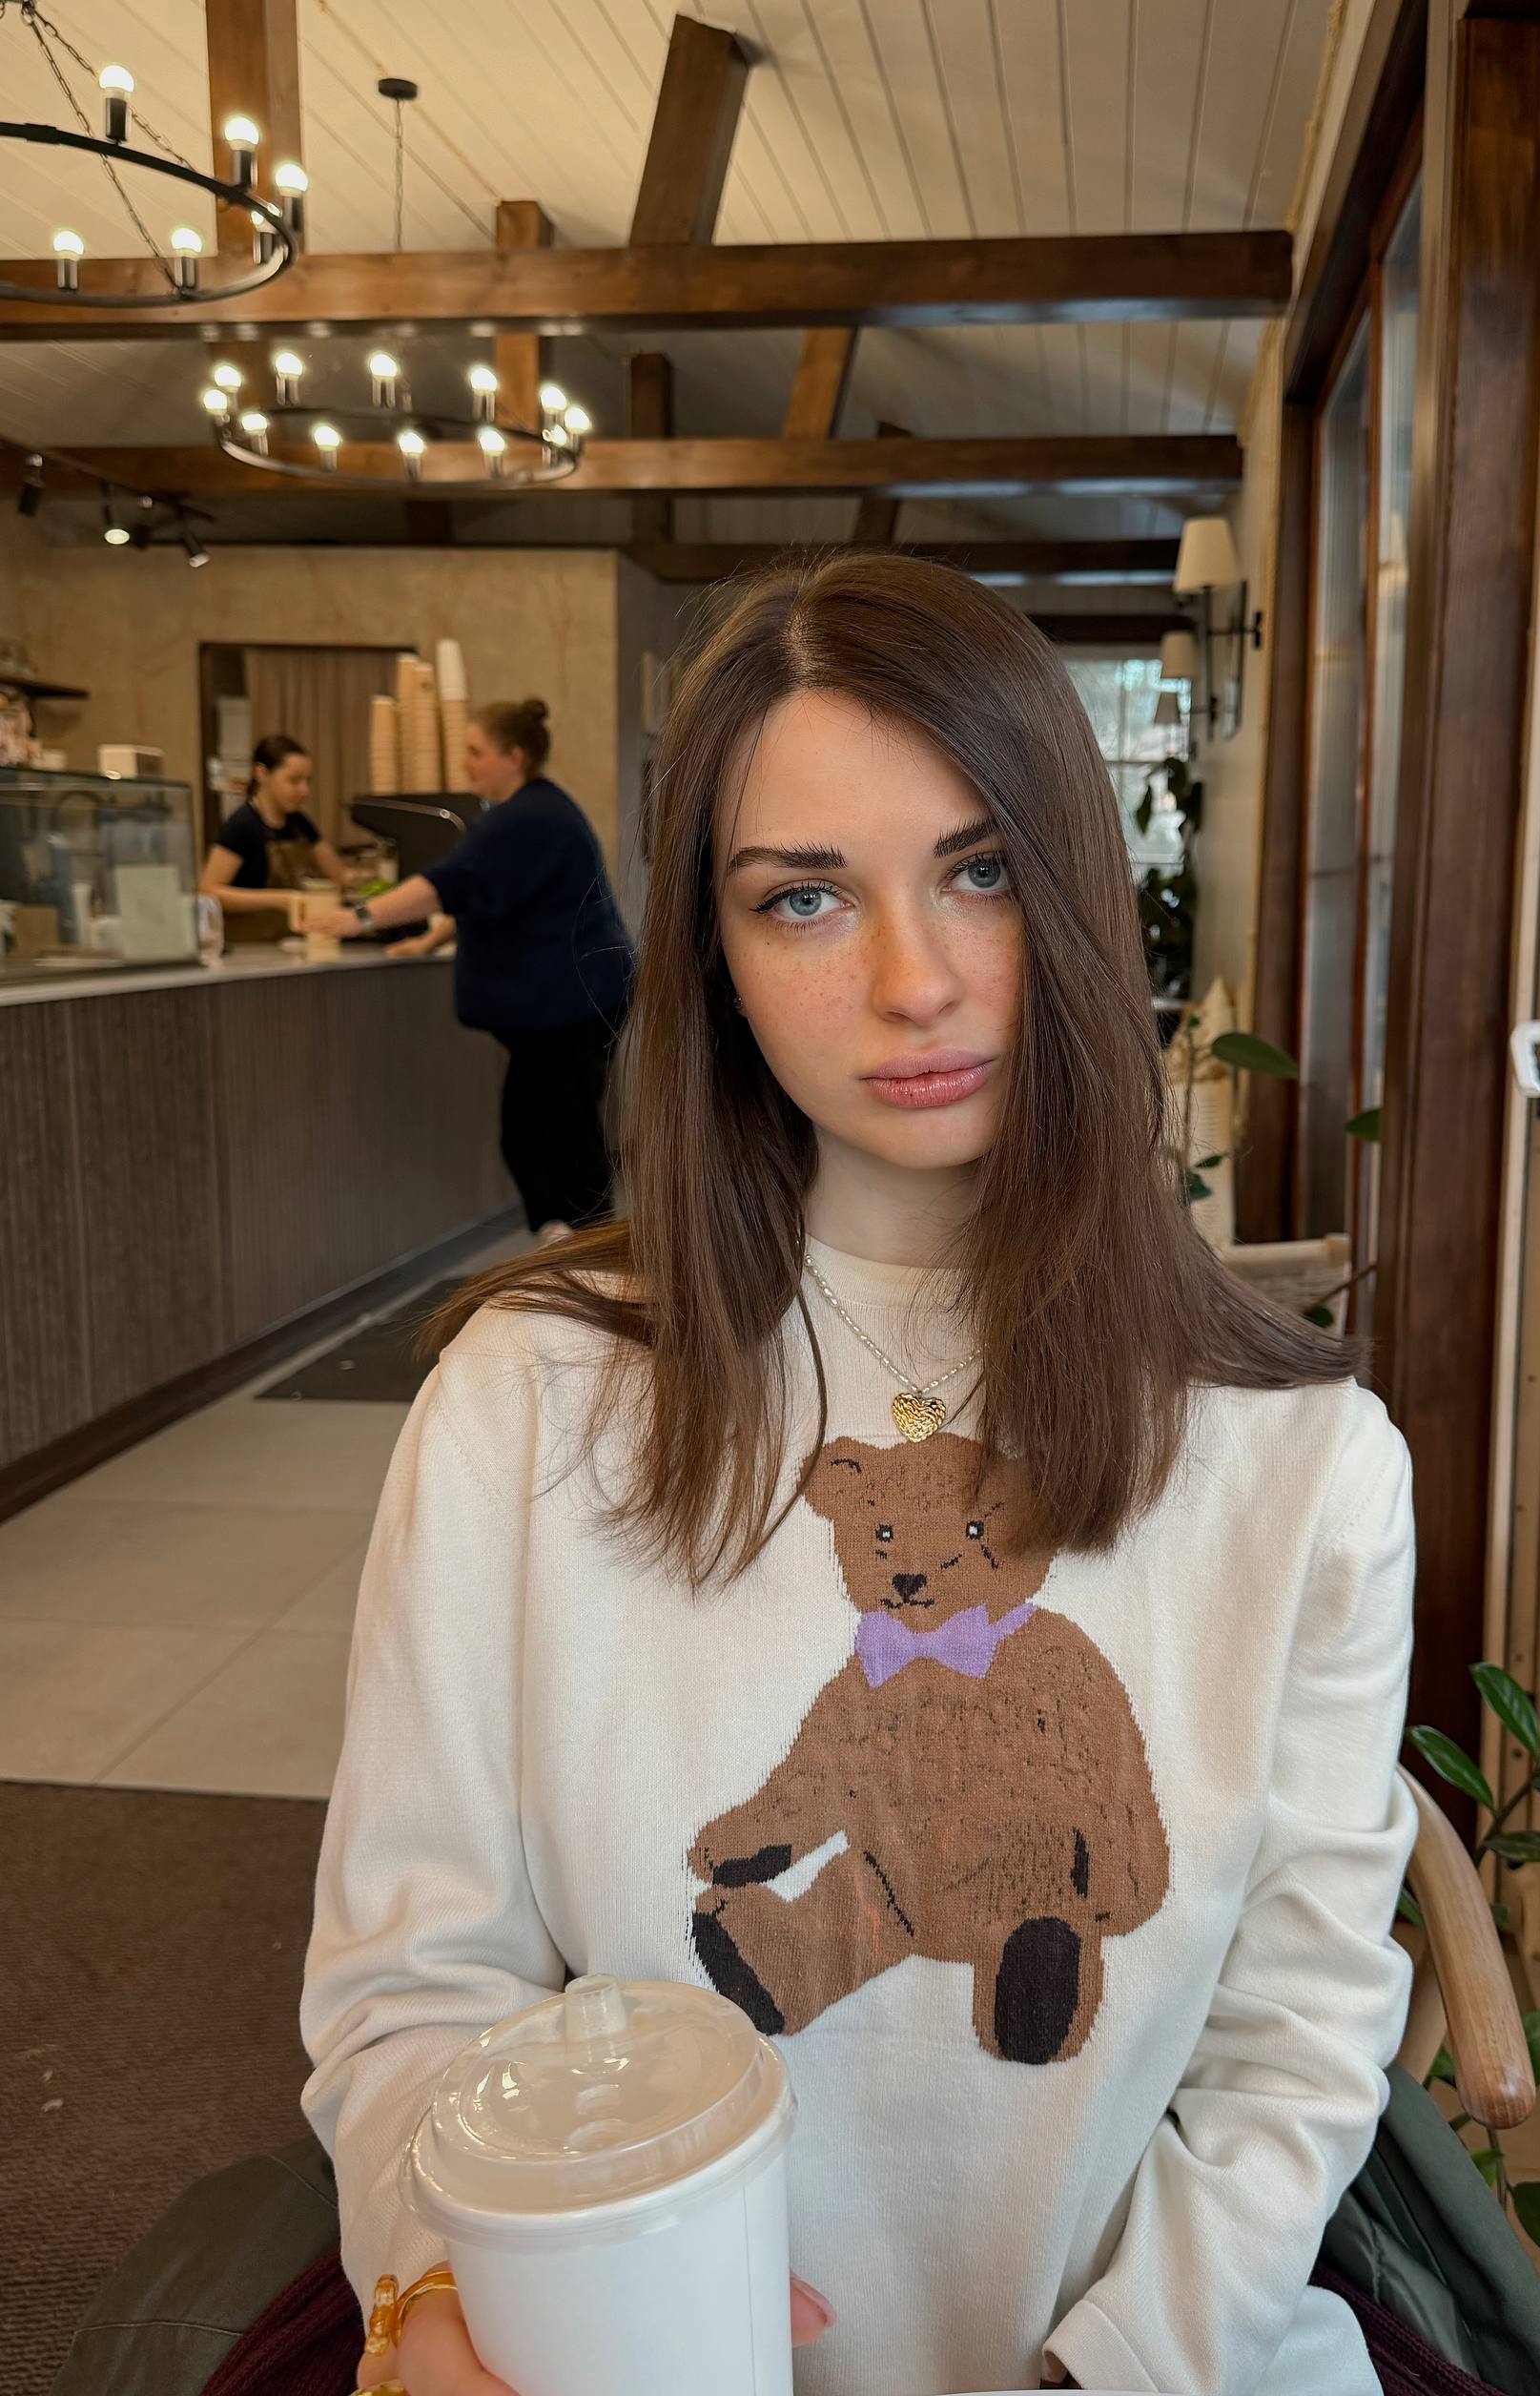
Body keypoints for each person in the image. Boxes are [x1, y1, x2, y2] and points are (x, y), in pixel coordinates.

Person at [301, 555, 1418, 2396]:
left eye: (982, 870)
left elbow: (1291, 2049)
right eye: (804, 897)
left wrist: (1111, 2373)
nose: (914, 982)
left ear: (1082, 886)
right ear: (715, 958)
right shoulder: (527, 1402)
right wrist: (442, 2305)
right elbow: (416, 1981)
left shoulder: (1300, 1461)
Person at [313, 698, 635, 1244]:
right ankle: (566, 1242)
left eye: (475, 751)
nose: (466, 763)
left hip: (568, 1006)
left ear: (515, 757)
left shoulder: (525, 817)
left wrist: (356, 917)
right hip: (573, 1002)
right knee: (535, 1134)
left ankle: (589, 1254)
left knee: (559, 1139)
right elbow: (491, 891)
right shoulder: (538, 810)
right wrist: (431, 938)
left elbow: (448, 883)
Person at [200, 734, 354, 925]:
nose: (304, 790)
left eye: (307, 781)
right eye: (294, 781)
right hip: (250, 940)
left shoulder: (300, 823)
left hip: (292, 936)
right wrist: (279, 900)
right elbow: (209, 891)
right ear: (262, 774)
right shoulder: (242, 825)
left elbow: (338, 875)